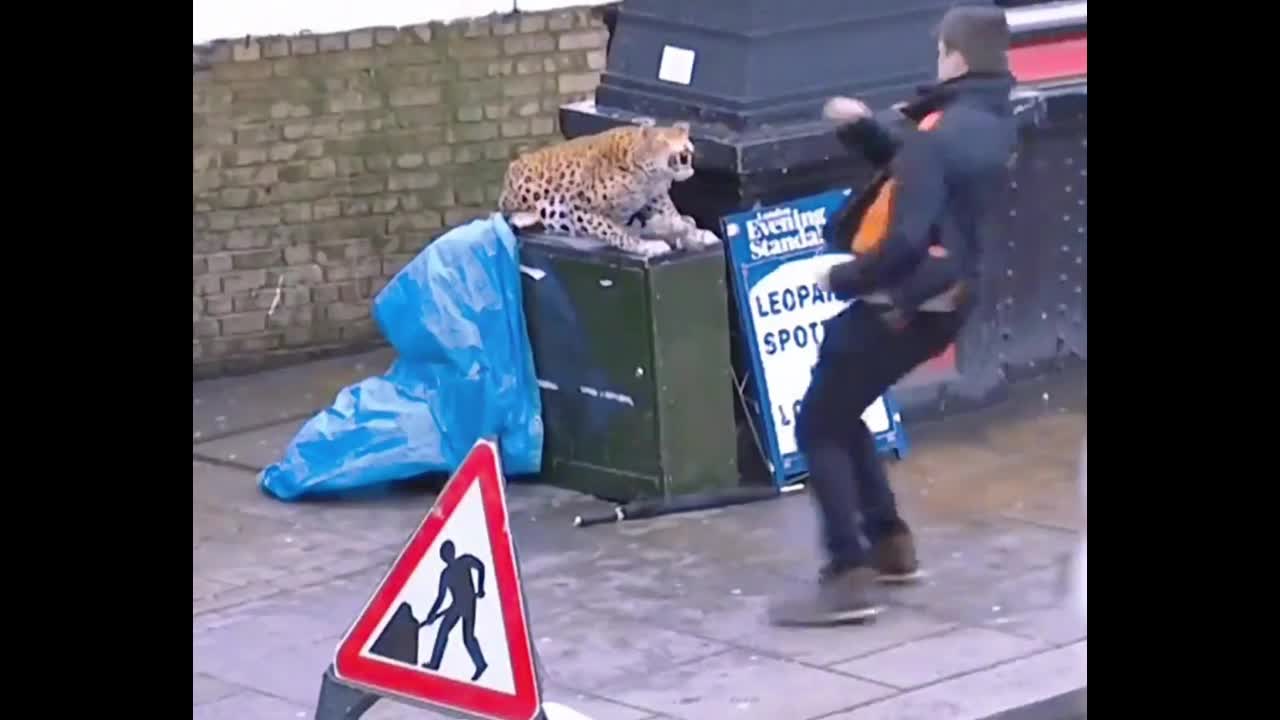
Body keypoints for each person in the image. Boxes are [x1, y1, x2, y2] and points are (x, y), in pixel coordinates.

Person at [768, 5, 1019, 626]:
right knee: (843, 404)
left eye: (940, 52)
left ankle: (847, 574)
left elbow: (908, 232)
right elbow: (926, 171)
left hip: (901, 302)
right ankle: (890, 545)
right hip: (951, 302)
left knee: (819, 423)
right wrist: (862, 131)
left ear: (955, 57)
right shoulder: (991, 121)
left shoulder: (940, 135)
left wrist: (842, 277)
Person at [421, 540, 489, 680]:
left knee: (468, 637)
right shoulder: (446, 574)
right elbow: (441, 597)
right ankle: (435, 663)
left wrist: (480, 587)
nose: (447, 556)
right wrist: (431, 614)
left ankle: (480, 664)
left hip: (469, 603)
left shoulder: (465, 561)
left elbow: (480, 566)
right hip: (456, 605)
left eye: (448, 552)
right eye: (445, 555)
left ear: (453, 551)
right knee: (443, 631)